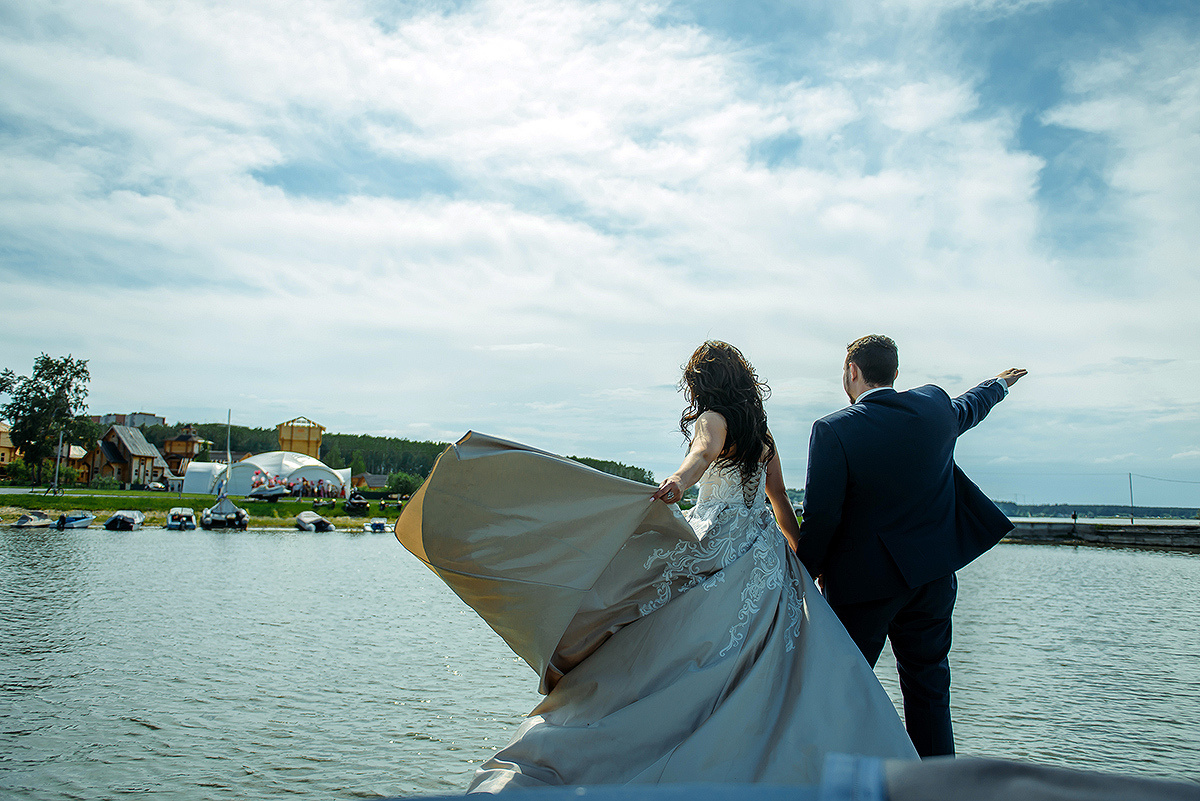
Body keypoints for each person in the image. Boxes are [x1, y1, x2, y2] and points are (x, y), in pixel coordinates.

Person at [396, 340, 917, 793]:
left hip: (722, 544)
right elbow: (780, 505)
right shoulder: (764, 438)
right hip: (766, 557)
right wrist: (808, 564)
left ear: (704, 386)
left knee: (666, 638)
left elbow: (702, 452)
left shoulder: (714, 418)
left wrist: (680, 482)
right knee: (774, 662)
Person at [794, 334, 1027, 758]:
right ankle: (938, 785)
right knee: (930, 690)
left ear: (851, 371)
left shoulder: (832, 429)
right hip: (933, 579)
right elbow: (968, 408)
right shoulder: (934, 407)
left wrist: (802, 576)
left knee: (842, 689)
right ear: (895, 373)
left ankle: (839, 779)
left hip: (863, 588)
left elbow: (822, 519)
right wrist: (998, 384)